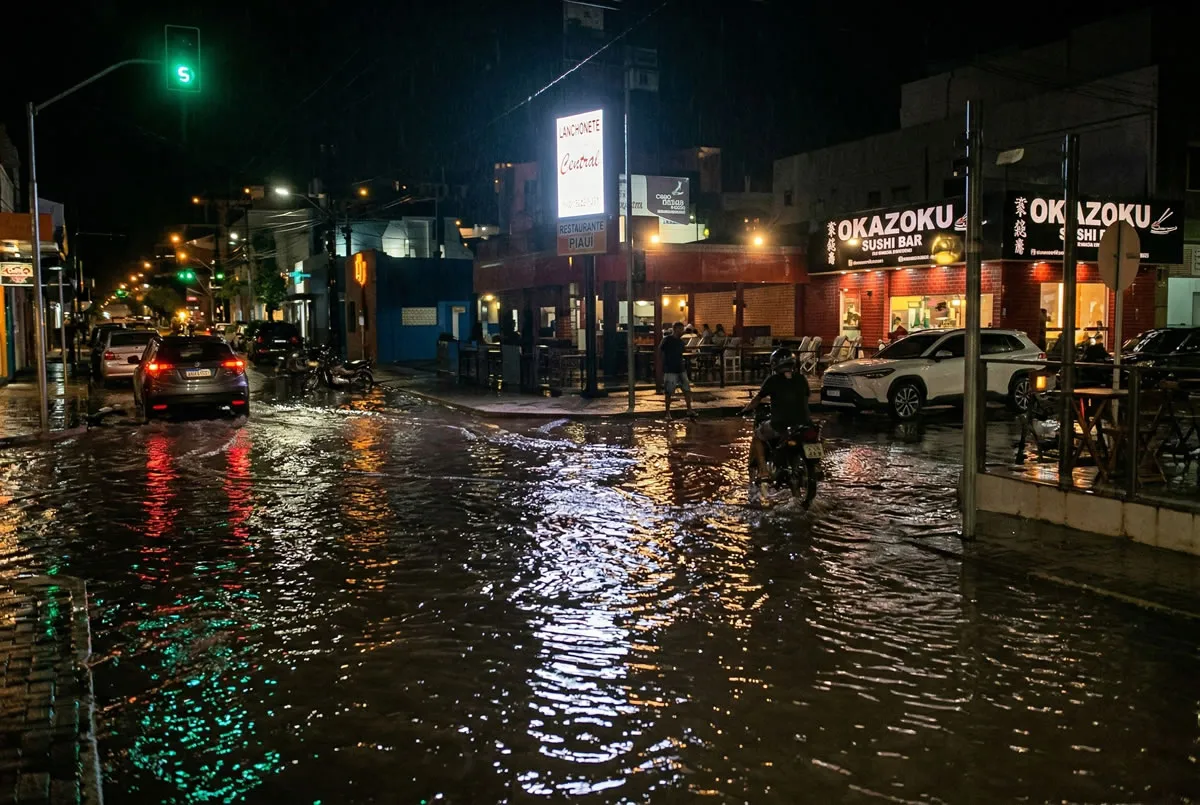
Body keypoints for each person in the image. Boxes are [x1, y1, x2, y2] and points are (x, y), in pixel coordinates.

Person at [740, 348, 812, 484]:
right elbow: (806, 396)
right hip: (804, 423)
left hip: (781, 424)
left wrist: (745, 410)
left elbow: (757, 399)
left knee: (757, 436)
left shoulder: (773, 380)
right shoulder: (802, 379)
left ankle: (763, 471)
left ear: (774, 364)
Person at [660, 321, 696, 420]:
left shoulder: (680, 342)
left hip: (680, 368)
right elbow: (661, 352)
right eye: (680, 329)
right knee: (669, 391)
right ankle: (667, 413)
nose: (682, 331)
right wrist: (662, 367)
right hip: (670, 369)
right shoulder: (667, 340)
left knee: (686, 389)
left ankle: (689, 409)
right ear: (675, 329)